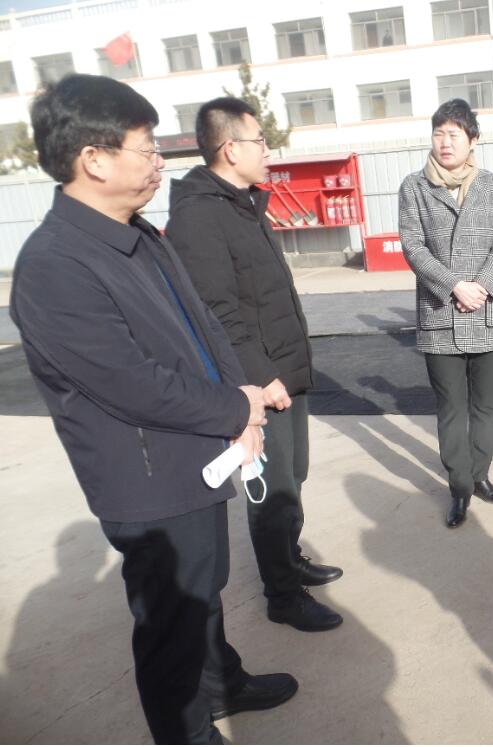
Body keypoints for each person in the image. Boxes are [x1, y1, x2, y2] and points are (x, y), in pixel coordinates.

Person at [9, 74, 296, 743]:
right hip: (148, 481)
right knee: (171, 623)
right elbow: (133, 384)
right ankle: (186, 731)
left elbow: (205, 327)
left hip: (196, 451)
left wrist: (244, 403)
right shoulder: (55, 265)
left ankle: (222, 681)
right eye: (146, 148)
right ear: (94, 159)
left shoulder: (138, 234)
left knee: (203, 588)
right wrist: (233, 408)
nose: (159, 161)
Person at [166, 97, 344, 633]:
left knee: (294, 475)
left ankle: (291, 559)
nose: (268, 150)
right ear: (230, 148)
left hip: (285, 366)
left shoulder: (243, 203)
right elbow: (217, 311)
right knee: (273, 490)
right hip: (261, 379)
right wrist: (260, 378)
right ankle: (283, 595)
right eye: (260, 141)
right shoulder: (199, 215)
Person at [398, 99, 493, 528]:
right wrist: (454, 285)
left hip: (486, 312)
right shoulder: (414, 187)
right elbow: (413, 246)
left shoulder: (490, 184)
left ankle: (481, 475)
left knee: (484, 406)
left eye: (454, 134)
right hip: (441, 315)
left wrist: (480, 285)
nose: (445, 142)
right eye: (439, 133)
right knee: (451, 408)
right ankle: (460, 487)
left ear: (472, 140)